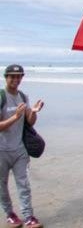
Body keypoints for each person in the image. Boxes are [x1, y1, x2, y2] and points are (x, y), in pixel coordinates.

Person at [0, 64, 44, 228]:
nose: (16, 80)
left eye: (19, 77)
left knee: (23, 184)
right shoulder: (1, 96)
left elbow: (30, 122)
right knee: (2, 184)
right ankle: (10, 214)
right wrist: (15, 117)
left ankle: (28, 217)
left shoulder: (23, 97)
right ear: (6, 77)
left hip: (19, 149)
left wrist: (33, 112)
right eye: (12, 76)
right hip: (1, 150)